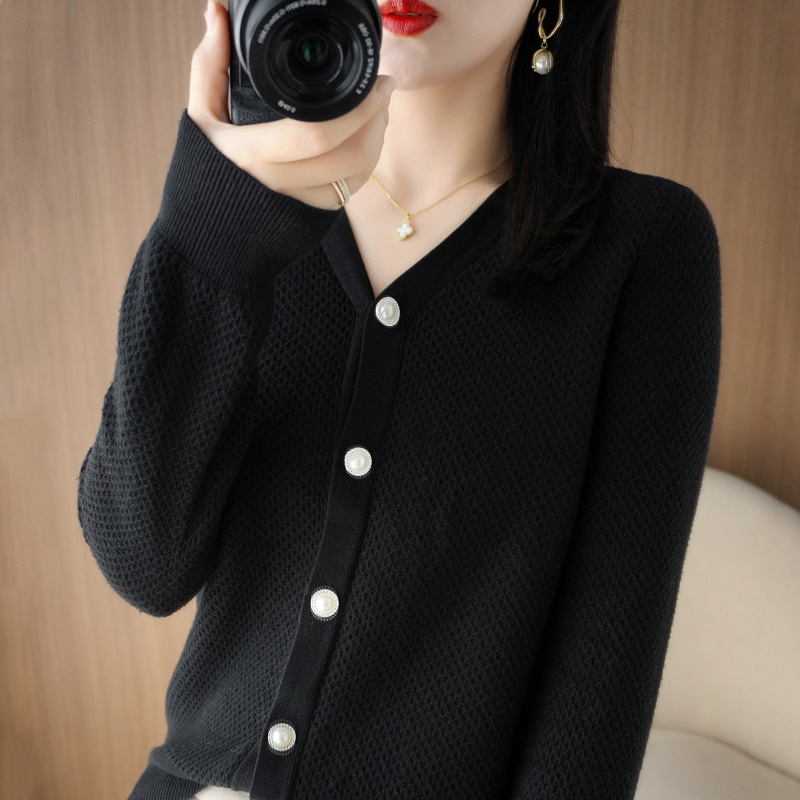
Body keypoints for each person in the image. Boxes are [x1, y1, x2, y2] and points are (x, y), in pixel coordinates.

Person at [76, 0, 722, 798]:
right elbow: (143, 563)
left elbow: (598, 689)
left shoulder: (644, 246)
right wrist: (209, 226)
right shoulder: (240, 215)